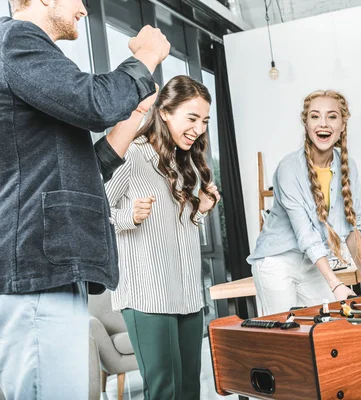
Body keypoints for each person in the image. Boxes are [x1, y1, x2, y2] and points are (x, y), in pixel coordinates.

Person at [0, 0, 170, 397]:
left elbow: (83, 172)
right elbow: (96, 102)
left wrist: (132, 119)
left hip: (51, 269)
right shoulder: (16, 42)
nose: (83, 8)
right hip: (37, 268)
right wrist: (146, 58)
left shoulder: (27, 58)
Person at [105, 76, 219, 399]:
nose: (199, 129)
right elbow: (97, 211)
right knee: (164, 392)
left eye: (205, 121)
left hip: (187, 295)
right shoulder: (131, 154)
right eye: (192, 118)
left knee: (189, 390)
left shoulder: (187, 162)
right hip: (147, 296)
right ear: (166, 112)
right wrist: (129, 216)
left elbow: (180, 227)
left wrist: (202, 209)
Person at [247, 90, 361, 316]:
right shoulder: (289, 168)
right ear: (306, 124)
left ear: (343, 125)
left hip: (312, 263)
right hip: (277, 262)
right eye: (315, 116)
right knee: (286, 332)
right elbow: (305, 234)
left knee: (330, 323)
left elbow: (352, 230)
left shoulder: (349, 167)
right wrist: (335, 285)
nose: (322, 123)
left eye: (332, 116)